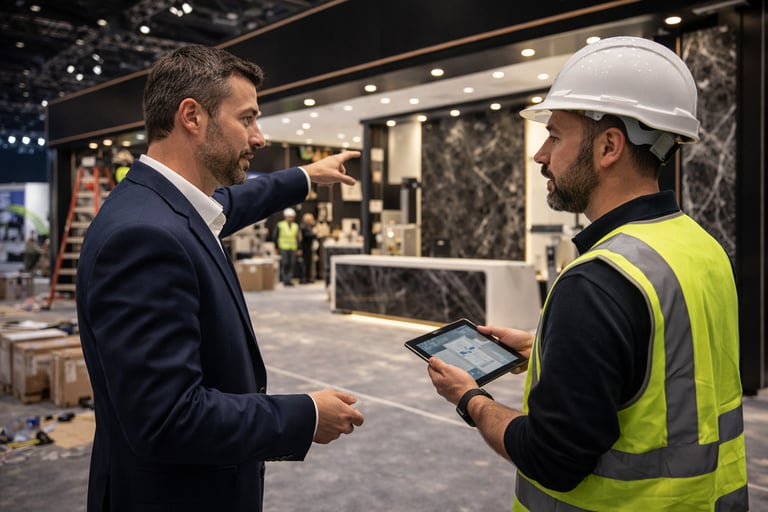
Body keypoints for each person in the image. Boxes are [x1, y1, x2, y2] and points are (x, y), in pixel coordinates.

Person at [426, 36, 747, 511]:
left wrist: (470, 398)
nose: (540, 155)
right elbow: (667, 364)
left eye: (554, 135)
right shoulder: (701, 246)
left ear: (609, 146)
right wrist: (547, 350)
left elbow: (552, 457)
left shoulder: (597, 281)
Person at [76, 45, 364, 512]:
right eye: (247, 118)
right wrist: (304, 415)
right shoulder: (145, 236)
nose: (260, 136)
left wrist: (306, 177)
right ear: (192, 116)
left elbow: (231, 205)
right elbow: (167, 418)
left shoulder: (158, 204)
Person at [274, 207, 300, 286]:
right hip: (283, 247)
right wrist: (276, 247)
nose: (290, 218)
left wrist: (299, 248)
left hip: (293, 247)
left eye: (292, 217)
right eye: (289, 217)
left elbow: (298, 238)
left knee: (291, 264)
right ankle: (285, 280)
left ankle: (289, 279)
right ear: (285, 217)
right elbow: (275, 236)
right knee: (285, 264)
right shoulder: (280, 225)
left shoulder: (296, 226)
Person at [299, 212, 317, 283]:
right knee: (304, 263)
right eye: (310, 219)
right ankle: (303, 278)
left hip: (308, 247)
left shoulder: (309, 226)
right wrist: (314, 233)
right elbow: (308, 235)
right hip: (304, 247)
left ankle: (308, 277)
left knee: (308, 263)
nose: (312, 221)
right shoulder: (303, 226)